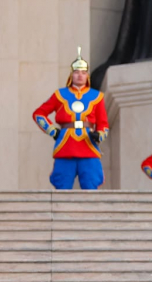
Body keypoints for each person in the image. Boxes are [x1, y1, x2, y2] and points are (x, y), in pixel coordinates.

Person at [32, 49, 109, 190]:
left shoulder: (97, 97)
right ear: (71, 75)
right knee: (62, 187)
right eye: (77, 72)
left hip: (88, 145)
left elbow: (103, 124)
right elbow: (39, 114)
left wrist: (99, 135)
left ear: (87, 76)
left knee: (91, 185)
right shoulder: (60, 95)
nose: (80, 76)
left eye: (83, 73)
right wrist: (52, 131)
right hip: (65, 146)